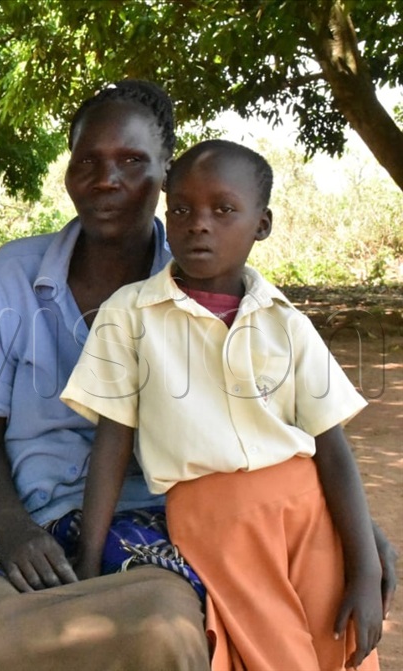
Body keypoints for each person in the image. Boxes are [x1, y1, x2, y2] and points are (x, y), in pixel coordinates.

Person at [0, 81, 397, 671]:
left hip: (161, 524)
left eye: (132, 162)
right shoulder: (15, 273)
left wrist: (350, 531)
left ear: (164, 175)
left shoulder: (215, 281)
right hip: (27, 520)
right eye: (87, 161)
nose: (106, 179)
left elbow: (279, 425)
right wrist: (12, 531)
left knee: (165, 634)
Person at [62, 139, 382, 670]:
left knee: (338, 647)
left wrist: (365, 570)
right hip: (217, 519)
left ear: (262, 224)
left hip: (306, 511)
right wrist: (90, 561)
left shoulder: (286, 322)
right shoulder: (132, 314)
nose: (198, 224)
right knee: (275, 655)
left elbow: (333, 450)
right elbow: (113, 441)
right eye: (182, 209)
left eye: (223, 209)